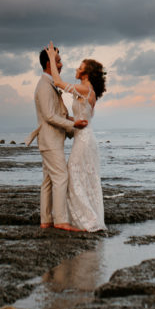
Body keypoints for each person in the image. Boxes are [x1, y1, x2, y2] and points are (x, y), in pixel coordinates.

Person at [46, 41, 107, 233]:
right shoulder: (90, 92)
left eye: (80, 67)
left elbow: (57, 83)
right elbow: (82, 117)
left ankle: (87, 221)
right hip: (85, 138)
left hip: (84, 140)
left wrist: (50, 59)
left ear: (86, 74)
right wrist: (68, 120)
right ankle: (85, 219)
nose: (76, 68)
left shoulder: (84, 89)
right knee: (81, 178)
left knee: (74, 177)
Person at [25, 46, 88, 231]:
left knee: (48, 181)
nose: (61, 64)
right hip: (50, 141)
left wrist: (73, 120)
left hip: (51, 141)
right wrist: (73, 125)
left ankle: (46, 220)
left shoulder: (49, 83)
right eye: (58, 61)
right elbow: (50, 116)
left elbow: (57, 113)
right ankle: (60, 221)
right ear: (48, 64)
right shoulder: (44, 86)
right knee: (61, 177)